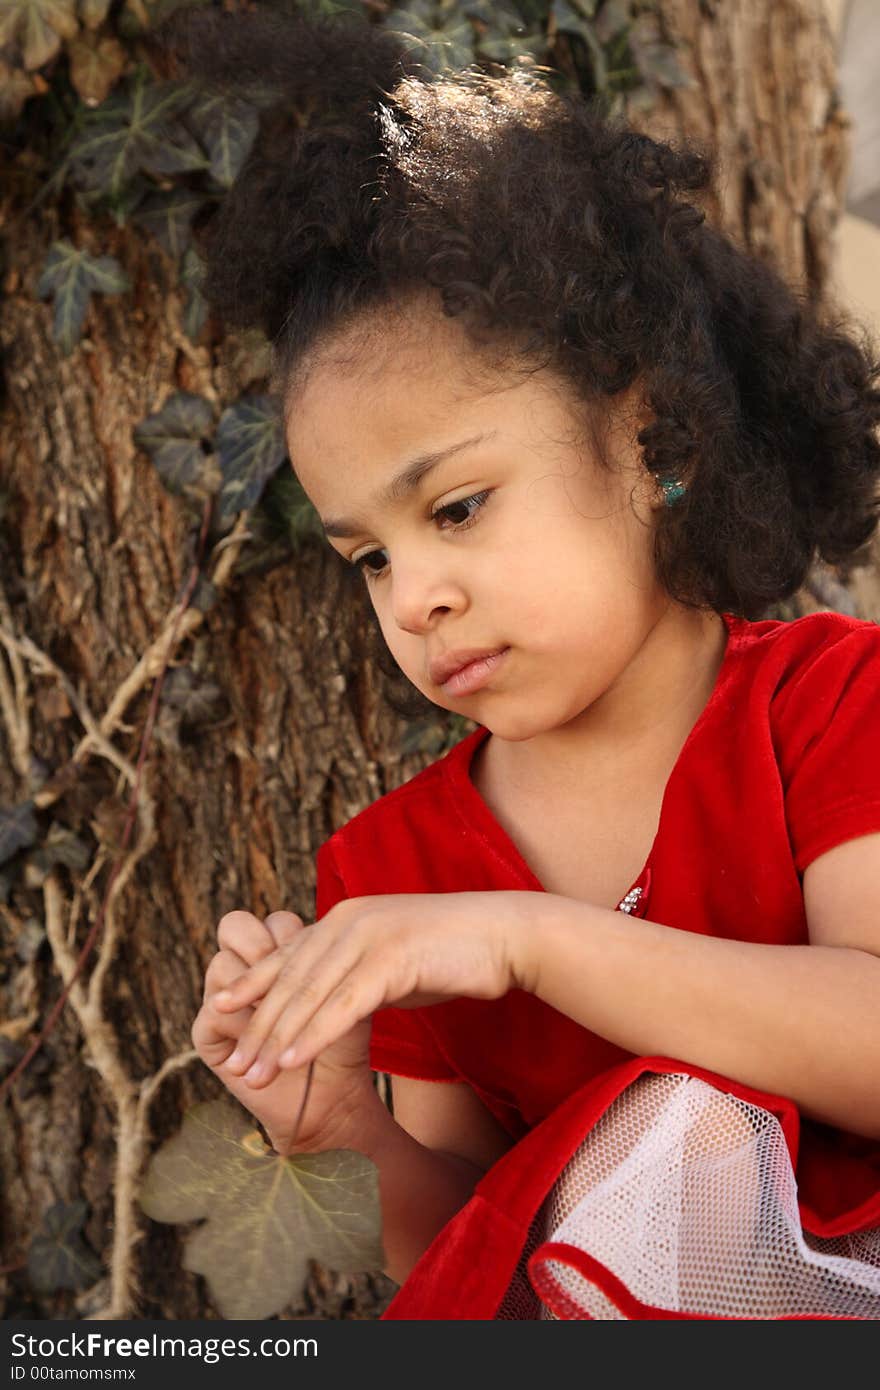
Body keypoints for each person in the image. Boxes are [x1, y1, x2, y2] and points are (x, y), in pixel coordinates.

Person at [166, 9, 880, 1318]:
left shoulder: (832, 702)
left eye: (454, 508)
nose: (417, 594)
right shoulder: (395, 874)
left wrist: (528, 941)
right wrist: (344, 1132)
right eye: (366, 556)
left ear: (654, 437)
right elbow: (480, 1241)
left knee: (693, 1132)